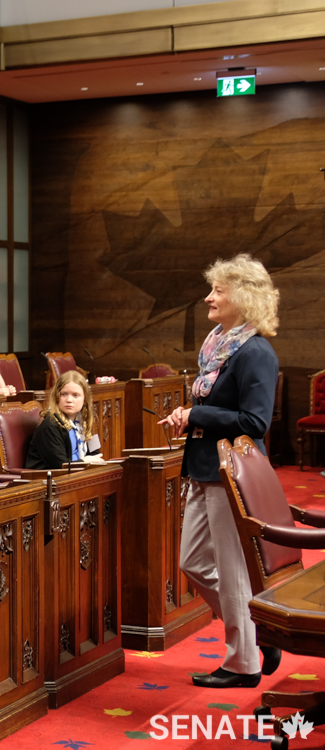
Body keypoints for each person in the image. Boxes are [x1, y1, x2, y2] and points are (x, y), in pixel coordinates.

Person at [157, 253, 280, 689]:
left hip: (233, 471)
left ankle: (243, 663)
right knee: (192, 563)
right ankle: (258, 630)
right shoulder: (217, 345)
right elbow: (214, 407)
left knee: (231, 571)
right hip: (206, 466)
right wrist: (190, 415)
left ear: (242, 298)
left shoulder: (256, 352)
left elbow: (255, 422)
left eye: (218, 291)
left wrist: (197, 415)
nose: (208, 297)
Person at [25, 370, 101, 470]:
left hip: (76, 474)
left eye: (75, 395)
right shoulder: (50, 426)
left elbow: (96, 453)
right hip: (47, 480)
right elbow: (60, 466)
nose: (69, 400)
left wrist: (90, 461)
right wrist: (84, 462)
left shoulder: (83, 422)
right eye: (64, 394)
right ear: (57, 397)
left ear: (85, 400)